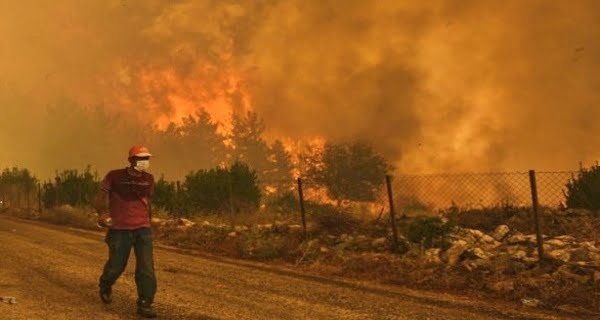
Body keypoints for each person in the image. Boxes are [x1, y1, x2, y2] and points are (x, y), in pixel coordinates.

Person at [95, 145, 157, 318]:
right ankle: (105, 284)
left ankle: (145, 304)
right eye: (141, 158)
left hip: (142, 229)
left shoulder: (149, 179)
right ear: (131, 160)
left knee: (146, 268)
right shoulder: (114, 176)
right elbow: (100, 197)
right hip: (120, 229)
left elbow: (147, 202)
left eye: (147, 159)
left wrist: (149, 222)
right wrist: (102, 214)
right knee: (116, 266)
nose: (145, 162)